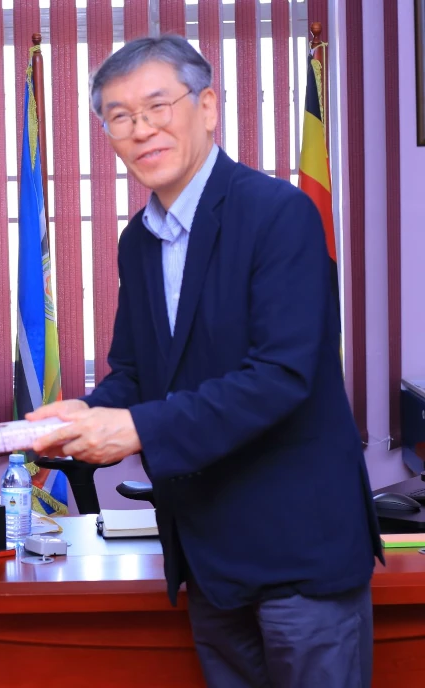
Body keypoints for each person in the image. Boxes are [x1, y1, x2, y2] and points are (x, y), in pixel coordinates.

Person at [30, 35, 382, 687]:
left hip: (298, 552)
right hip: (208, 555)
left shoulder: (281, 215)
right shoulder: (138, 241)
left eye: (157, 106)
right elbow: (138, 373)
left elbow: (281, 376)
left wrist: (138, 428)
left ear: (209, 106)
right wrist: (83, 412)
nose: (141, 129)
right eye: (120, 116)